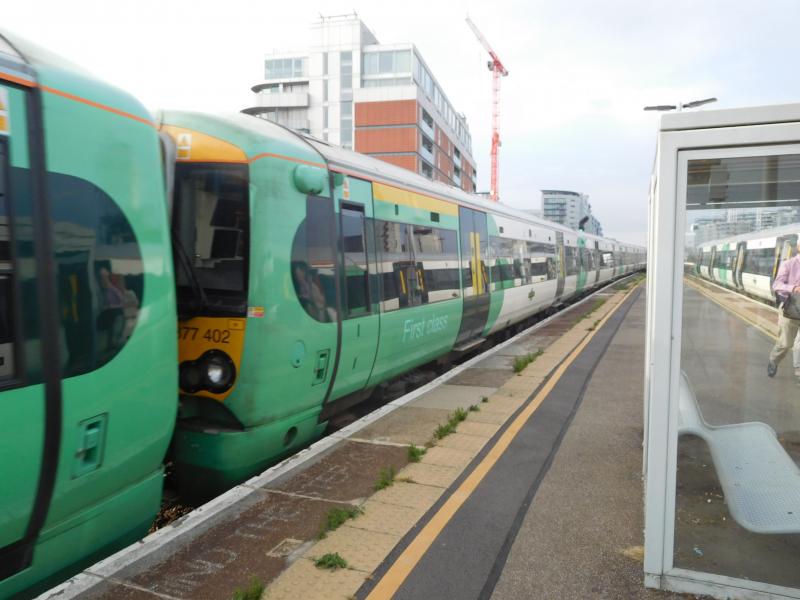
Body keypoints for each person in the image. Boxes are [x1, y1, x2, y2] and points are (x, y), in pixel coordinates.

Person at [768, 241, 800, 379]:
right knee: (785, 344)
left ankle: (798, 372)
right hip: (790, 308)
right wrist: (793, 288)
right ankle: (773, 360)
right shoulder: (788, 264)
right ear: (798, 247)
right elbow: (776, 284)